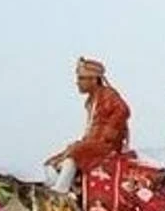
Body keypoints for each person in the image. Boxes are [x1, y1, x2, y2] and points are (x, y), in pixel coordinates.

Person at [45, 57, 131, 192]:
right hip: (92, 143)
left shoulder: (107, 95)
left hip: (106, 145)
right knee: (51, 162)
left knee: (76, 150)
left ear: (94, 80)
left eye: (81, 78)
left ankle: (61, 189)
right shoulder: (91, 101)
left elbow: (123, 110)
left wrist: (109, 131)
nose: (77, 83)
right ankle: (57, 186)